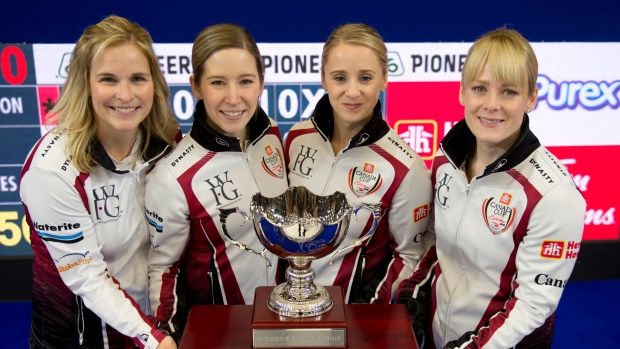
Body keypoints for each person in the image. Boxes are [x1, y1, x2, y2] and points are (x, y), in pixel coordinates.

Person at [395, 28, 586, 348]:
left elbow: (534, 305)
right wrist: (415, 293)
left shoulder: (555, 196)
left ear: (532, 97)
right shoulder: (445, 160)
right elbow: (434, 242)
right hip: (437, 337)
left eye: (509, 92)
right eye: (480, 88)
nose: (492, 104)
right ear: (462, 93)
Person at [19, 15, 179, 349]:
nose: (125, 94)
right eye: (108, 79)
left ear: (155, 84)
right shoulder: (50, 170)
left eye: (138, 78)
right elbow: (86, 277)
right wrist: (154, 337)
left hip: (153, 324)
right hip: (79, 337)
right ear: (84, 84)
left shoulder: (167, 141)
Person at [145, 23, 288, 341]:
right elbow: (162, 271)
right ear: (196, 86)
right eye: (218, 83)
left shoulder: (272, 135)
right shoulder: (173, 177)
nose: (233, 98)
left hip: (282, 323)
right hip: (220, 334)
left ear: (261, 82)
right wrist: (167, 335)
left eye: (246, 81)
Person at [284, 23, 433, 304]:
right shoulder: (296, 137)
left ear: (384, 79)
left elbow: (408, 259)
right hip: (285, 308)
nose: (352, 92)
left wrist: (364, 318)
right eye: (340, 78)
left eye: (365, 78)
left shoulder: (405, 168)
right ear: (324, 79)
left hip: (351, 322)